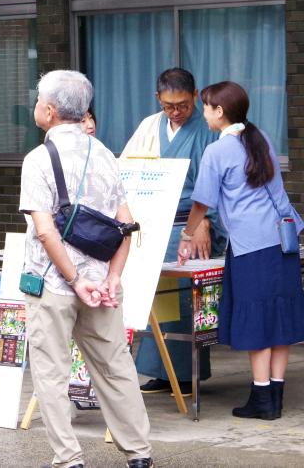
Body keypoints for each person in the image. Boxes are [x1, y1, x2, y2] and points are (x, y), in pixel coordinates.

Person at [21, 70, 152, 468]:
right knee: (116, 367)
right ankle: (139, 455)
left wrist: (76, 281)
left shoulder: (38, 159)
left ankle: (69, 459)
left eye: (38, 100)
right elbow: (127, 225)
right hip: (102, 285)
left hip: (52, 285)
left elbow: (45, 231)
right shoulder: (106, 154)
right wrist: (112, 278)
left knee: (52, 372)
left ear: (48, 110)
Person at [178, 81, 304, 420]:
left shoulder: (218, 151)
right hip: (283, 241)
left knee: (259, 320)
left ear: (219, 112)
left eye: (206, 107)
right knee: (279, 320)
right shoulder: (259, 137)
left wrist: (187, 235)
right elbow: (278, 194)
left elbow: (202, 201)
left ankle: (262, 399)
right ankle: (274, 396)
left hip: (251, 248)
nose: (203, 113)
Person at [121, 68, 226, 394]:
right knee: (154, 302)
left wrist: (205, 223)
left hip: (190, 226)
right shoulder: (149, 126)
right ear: (158, 100)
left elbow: (223, 184)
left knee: (185, 303)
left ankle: (185, 373)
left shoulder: (210, 130)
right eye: (169, 106)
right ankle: (160, 370)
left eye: (183, 104)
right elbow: (127, 171)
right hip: (151, 225)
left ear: (195, 96)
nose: (177, 111)